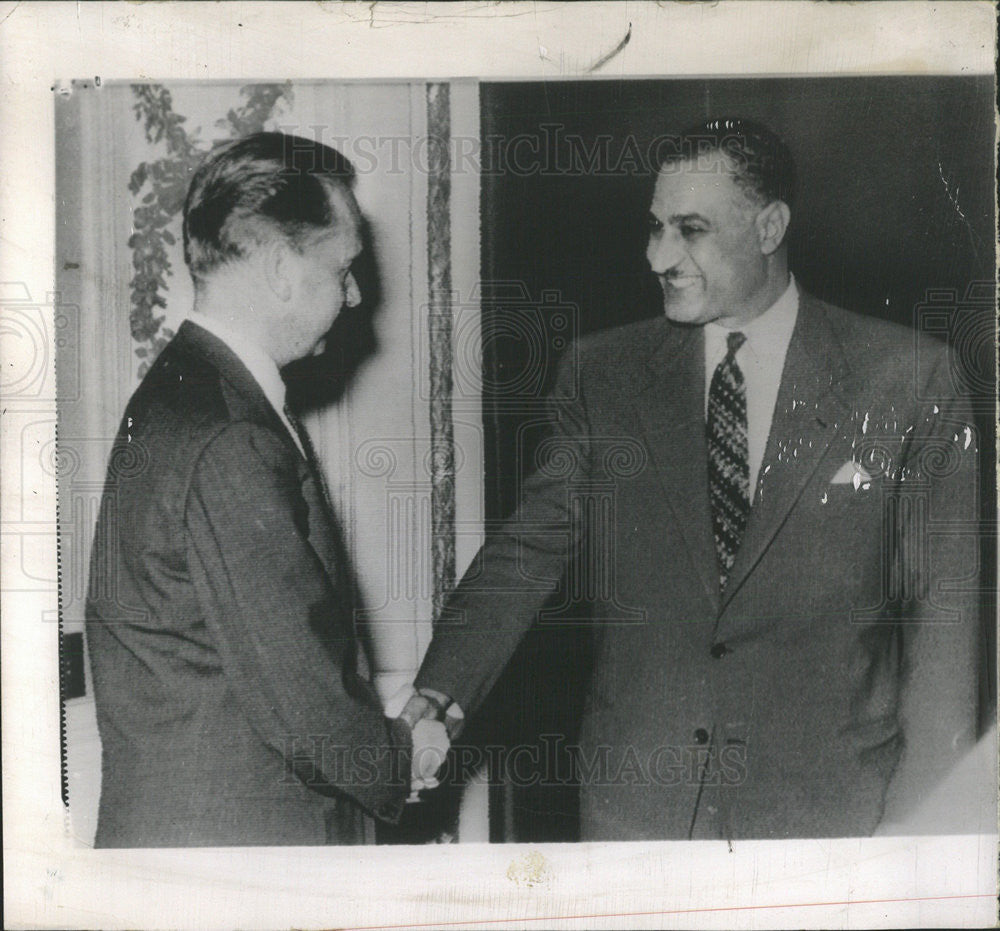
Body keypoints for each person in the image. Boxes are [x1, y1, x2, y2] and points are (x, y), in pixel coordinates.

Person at [404, 118, 984, 840]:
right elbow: (530, 547)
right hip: (640, 812)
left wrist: (928, 820)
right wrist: (440, 690)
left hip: (832, 811)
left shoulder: (907, 376)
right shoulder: (603, 374)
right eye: (654, 228)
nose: (659, 256)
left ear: (769, 226)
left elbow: (946, 610)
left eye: (691, 230)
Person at [86, 132, 444, 847]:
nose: (355, 294)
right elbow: (301, 699)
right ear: (282, 268)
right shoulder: (229, 434)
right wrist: (404, 754)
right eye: (342, 269)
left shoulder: (187, 391)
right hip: (234, 854)